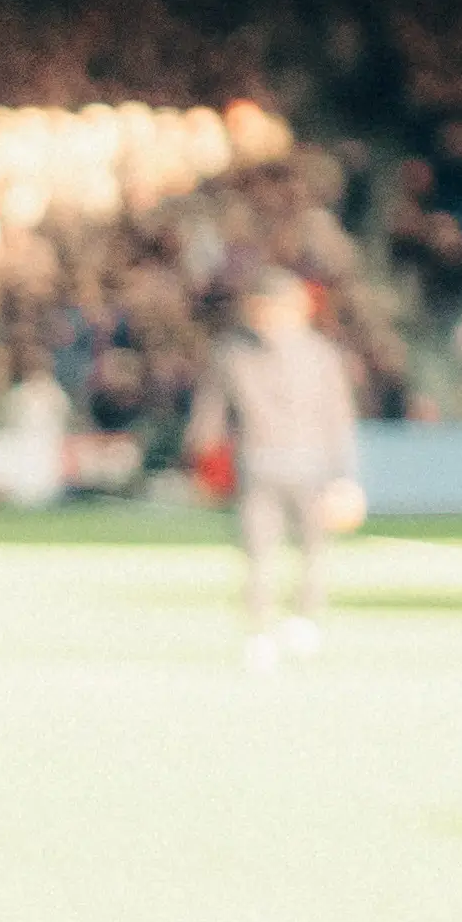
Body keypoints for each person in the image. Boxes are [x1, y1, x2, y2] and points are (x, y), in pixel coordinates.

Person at [190, 268, 363, 667]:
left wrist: (345, 478)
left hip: (312, 468)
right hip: (258, 468)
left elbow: (339, 419)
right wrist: (204, 466)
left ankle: (305, 619)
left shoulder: (320, 354)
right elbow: (210, 416)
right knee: (257, 552)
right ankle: (259, 630)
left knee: (314, 551)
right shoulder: (232, 353)